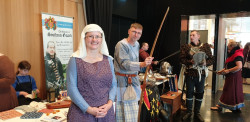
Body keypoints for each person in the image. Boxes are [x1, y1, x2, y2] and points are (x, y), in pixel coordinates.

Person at [66, 24, 117, 122]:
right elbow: (72, 88)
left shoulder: (108, 60)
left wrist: (110, 103)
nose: (94, 39)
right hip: (82, 114)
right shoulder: (75, 60)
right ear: (84, 38)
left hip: (106, 113)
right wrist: (89, 109)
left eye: (97, 36)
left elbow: (113, 84)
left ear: (102, 39)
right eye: (90, 36)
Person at [114, 23, 154, 121]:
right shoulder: (121, 45)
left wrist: (145, 63)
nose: (136, 35)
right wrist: (142, 64)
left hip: (134, 80)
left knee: (134, 112)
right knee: (122, 112)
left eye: (139, 33)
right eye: (134, 32)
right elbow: (125, 64)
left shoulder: (137, 44)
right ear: (129, 31)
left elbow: (134, 62)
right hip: (122, 81)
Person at [180, 30, 214, 122]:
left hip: (201, 74)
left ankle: (197, 113)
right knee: (189, 92)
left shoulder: (205, 46)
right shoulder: (186, 47)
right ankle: (189, 112)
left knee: (200, 93)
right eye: (190, 35)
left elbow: (211, 59)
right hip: (190, 73)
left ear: (198, 36)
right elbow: (182, 59)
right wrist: (189, 62)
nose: (191, 37)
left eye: (193, 35)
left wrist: (205, 62)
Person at [210, 41, 245, 113]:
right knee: (233, 91)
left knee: (229, 90)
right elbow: (230, 65)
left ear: (232, 47)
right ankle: (237, 107)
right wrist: (223, 71)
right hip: (232, 76)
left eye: (228, 47)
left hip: (234, 77)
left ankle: (220, 106)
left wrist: (228, 70)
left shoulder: (237, 54)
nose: (227, 49)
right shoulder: (234, 54)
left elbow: (239, 66)